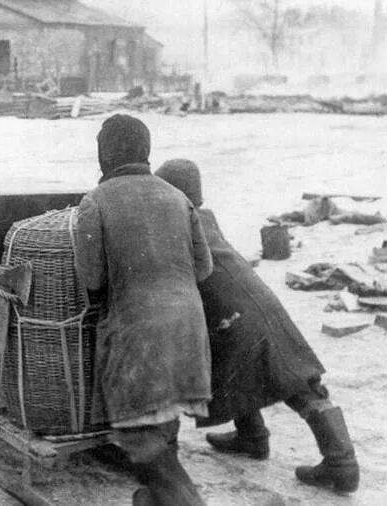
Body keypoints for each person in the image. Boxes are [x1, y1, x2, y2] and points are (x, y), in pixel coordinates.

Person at [154, 159, 360, 494]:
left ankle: (341, 465)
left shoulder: (177, 226)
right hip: (260, 305)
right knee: (274, 375)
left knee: (287, 384)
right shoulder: (204, 218)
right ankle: (254, 439)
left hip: (235, 316)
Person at [73, 115, 213, 506]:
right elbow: (204, 268)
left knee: (138, 436)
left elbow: (93, 278)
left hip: (138, 334)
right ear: (146, 151)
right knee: (164, 422)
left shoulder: (94, 202)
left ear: (104, 155)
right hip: (189, 329)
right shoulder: (177, 197)